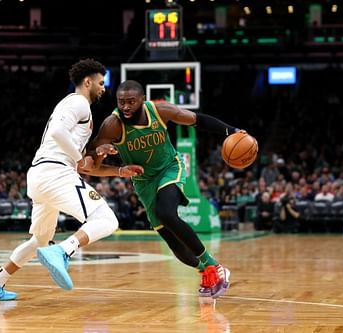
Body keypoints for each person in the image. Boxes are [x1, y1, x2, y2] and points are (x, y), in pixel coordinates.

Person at [0, 59, 143, 301]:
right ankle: (63, 251)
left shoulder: (76, 108)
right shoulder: (78, 102)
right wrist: (79, 158)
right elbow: (58, 134)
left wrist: (118, 171)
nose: (103, 88)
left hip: (43, 176)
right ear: (87, 82)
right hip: (55, 173)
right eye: (100, 82)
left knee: (39, 240)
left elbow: (85, 166)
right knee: (107, 219)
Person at [87, 80, 245, 299]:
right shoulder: (112, 125)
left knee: (166, 212)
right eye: (121, 102)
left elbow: (198, 120)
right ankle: (206, 271)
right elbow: (91, 155)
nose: (125, 107)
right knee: (176, 247)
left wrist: (231, 131)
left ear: (142, 100)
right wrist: (100, 152)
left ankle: (214, 265)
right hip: (143, 181)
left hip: (169, 168)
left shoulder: (161, 111)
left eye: (131, 102)